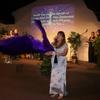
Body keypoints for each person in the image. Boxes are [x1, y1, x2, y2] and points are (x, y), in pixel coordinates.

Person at [45, 31, 68, 99]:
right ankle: (55, 92)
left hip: (61, 63)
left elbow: (65, 53)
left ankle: (61, 93)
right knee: (54, 78)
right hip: (54, 63)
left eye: (60, 35)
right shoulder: (53, 44)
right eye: (57, 35)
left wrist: (57, 53)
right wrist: (45, 52)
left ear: (63, 37)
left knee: (61, 78)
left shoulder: (65, 45)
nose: (58, 36)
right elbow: (48, 52)